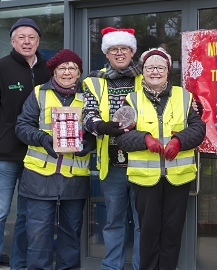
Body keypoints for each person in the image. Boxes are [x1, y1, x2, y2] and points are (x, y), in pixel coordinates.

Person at [114, 47, 205, 270]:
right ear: (143, 71)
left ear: (167, 71)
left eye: (160, 67)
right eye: (150, 67)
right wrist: (144, 138)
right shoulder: (131, 100)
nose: (155, 71)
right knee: (148, 233)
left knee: (172, 233)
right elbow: (121, 135)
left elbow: (198, 128)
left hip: (178, 178)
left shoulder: (185, 97)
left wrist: (179, 141)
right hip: (145, 179)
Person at [0, 17, 50, 270]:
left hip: (36, 155)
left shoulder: (47, 70)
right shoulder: (0, 69)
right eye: (21, 37)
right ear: (12, 41)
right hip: (5, 155)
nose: (27, 42)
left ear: (38, 41)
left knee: (26, 217)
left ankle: (19, 265)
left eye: (32, 38)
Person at [14, 49, 95, 269]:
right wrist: (43, 139)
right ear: (54, 71)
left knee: (71, 236)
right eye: (62, 68)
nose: (67, 72)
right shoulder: (39, 93)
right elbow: (22, 127)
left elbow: (96, 130)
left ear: (79, 73)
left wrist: (89, 144)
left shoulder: (89, 96)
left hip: (74, 179)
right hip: (39, 178)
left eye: (72, 68)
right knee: (38, 237)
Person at [82, 27, 141, 270]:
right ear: (107, 53)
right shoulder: (93, 81)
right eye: (114, 49)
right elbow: (87, 114)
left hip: (142, 161)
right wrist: (101, 126)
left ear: (132, 51)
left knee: (142, 223)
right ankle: (111, 267)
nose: (119, 53)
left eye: (124, 49)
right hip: (112, 163)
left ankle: (141, 266)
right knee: (114, 221)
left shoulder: (145, 76)